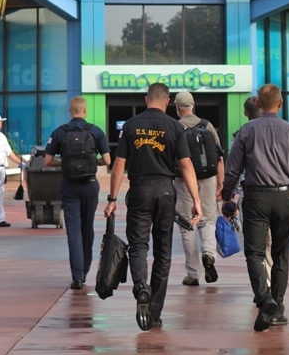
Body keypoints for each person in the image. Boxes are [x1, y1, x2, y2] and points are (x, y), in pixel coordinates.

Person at [104, 82, 203, 331]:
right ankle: (155, 311)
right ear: (167, 101)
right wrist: (196, 201)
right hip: (166, 190)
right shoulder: (174, 127)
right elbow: (187, 165)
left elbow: (118, 164)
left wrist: (112, 199)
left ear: (146, 99)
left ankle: (140, 287)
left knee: (138, 245)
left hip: (139, 190)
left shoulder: (131, 125)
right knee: (163, 252)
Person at [222, 83, 289, 332]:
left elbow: (233, 169)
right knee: (281, 253)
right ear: (280, 104)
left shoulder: (246, 131)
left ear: (259, 105)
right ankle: (279, 308)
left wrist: (227, 195)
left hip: (256, 198)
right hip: (285, 198)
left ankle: (264, 300)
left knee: (254, 253)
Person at [44, 95, 111, 289]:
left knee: (73, 229)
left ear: (70, 111)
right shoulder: (96, 131)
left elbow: (47, 161)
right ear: (85, 111)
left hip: (69, 185)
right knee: (87, 228)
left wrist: (64, 164)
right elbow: (107, 160)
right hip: (90, 184)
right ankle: (86, 269)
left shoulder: (59, 132)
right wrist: (92, 163)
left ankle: (78, 276)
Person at [173, 90, 225, 286]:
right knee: (208, 221)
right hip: (208, 179)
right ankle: (209, 254)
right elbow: (219, 157)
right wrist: (220, 183)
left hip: (184, 181)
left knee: (188, 226)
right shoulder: (207, 125)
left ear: (177, 108)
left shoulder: (175, 127)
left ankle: (193, 274)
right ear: (193, 105)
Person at [232, 96, 273, 289]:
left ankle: (262, 288)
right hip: (278, 194)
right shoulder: (279, 130)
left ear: (245, 112)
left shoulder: (242, 134)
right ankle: (272, 282)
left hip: (251, 194)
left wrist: (229, 196)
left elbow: (234, 168)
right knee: (270, 243)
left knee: (255, 246)